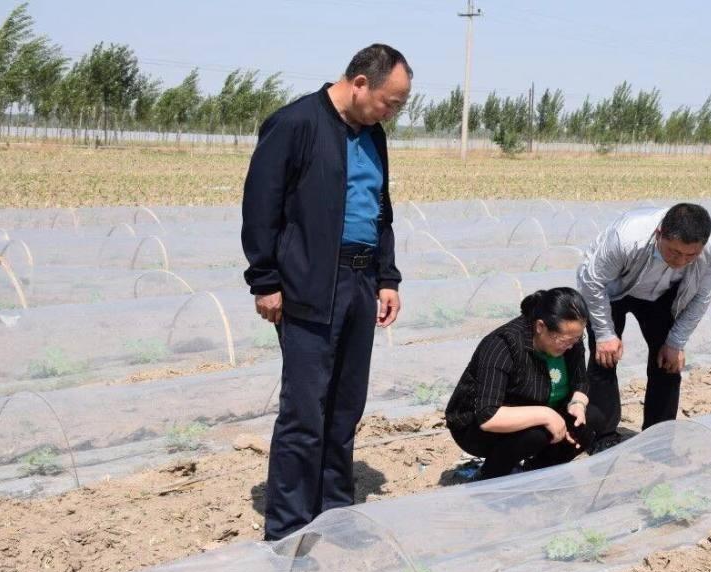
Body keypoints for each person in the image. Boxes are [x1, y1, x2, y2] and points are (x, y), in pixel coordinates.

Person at [241, 44, 412, 541]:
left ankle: (335, 510)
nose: (392, 113)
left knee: (344, 406)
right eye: (389, 102)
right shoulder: (295, 124)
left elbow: (381, 209)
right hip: (310, 284)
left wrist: (387, 277)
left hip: (360, 282)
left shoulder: (373, 136)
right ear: (359, 83)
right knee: (304, 410)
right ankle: (289, 525)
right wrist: (265, 279)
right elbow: (260, 205)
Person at [576, 203, 711, 444]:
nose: (681, 261)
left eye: (691, 255)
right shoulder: (627, 237)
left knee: (669, 363)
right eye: (674, 252)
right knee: (604, 359)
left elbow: (702, 296)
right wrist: (604, 334)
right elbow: (593, 282)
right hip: (612, 290)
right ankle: (603, 437)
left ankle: (658, 439)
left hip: (661, 295)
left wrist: (676, 342)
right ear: (659, 235)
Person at [445, 288, 607, 480]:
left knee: (591, 419)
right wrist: (546, 415)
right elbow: (487, 415)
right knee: (535, 434)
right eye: (565, 340)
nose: (571, 345)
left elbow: (580, 382)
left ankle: (538, 472)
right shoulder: (503, 345)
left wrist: (578, 404)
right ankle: (489, 477)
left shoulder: (570, 339)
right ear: (540, 327)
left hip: (539, 407)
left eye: (577, 339)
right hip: (477, 427)